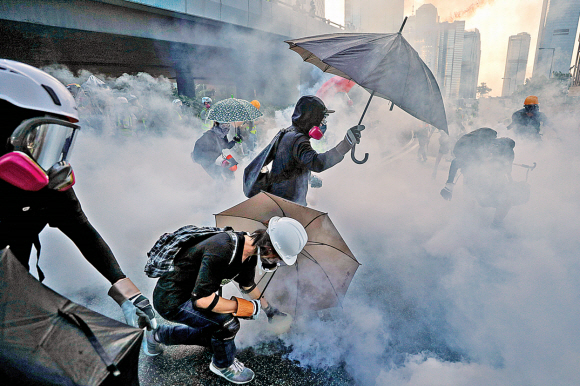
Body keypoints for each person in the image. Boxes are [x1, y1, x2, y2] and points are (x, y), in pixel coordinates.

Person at [0, 59, 157, 345]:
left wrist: (130, 295)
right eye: (38, 139)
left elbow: (82, 231)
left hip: (16, 284)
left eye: (58, 141)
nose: (52, 162)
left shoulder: (47, 181)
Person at [150, 217, 307, 384]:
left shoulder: (250, 250)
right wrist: (243, 308)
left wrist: (270, 310)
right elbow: (202, 301)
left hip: (193, 293)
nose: (277, 263)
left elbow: (247, 285)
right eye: (279, 258)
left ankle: (158, 335)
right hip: (172, 300)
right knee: (227, 324)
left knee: (214, 336)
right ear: (270, 247)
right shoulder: (222, 249)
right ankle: (222, 365)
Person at [264, 95, 363, 206]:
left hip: (277, 200)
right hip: (287, 204)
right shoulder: (299, 140)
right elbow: (317, 163)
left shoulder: (288, 133)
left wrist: (308, 177)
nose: (322, 123)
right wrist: (345, 144)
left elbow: (290, 165)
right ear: (311, 118)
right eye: (321, 118)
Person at [440, 128, 523, 225]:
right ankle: (492, 224)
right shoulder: (478, 150)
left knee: (471, 202)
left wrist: (449, 187)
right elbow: (507, 171)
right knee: (504, 202)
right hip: (478, 181)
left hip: (476, 180)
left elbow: (456, 162)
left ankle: (468, 225)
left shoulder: (498, 149)